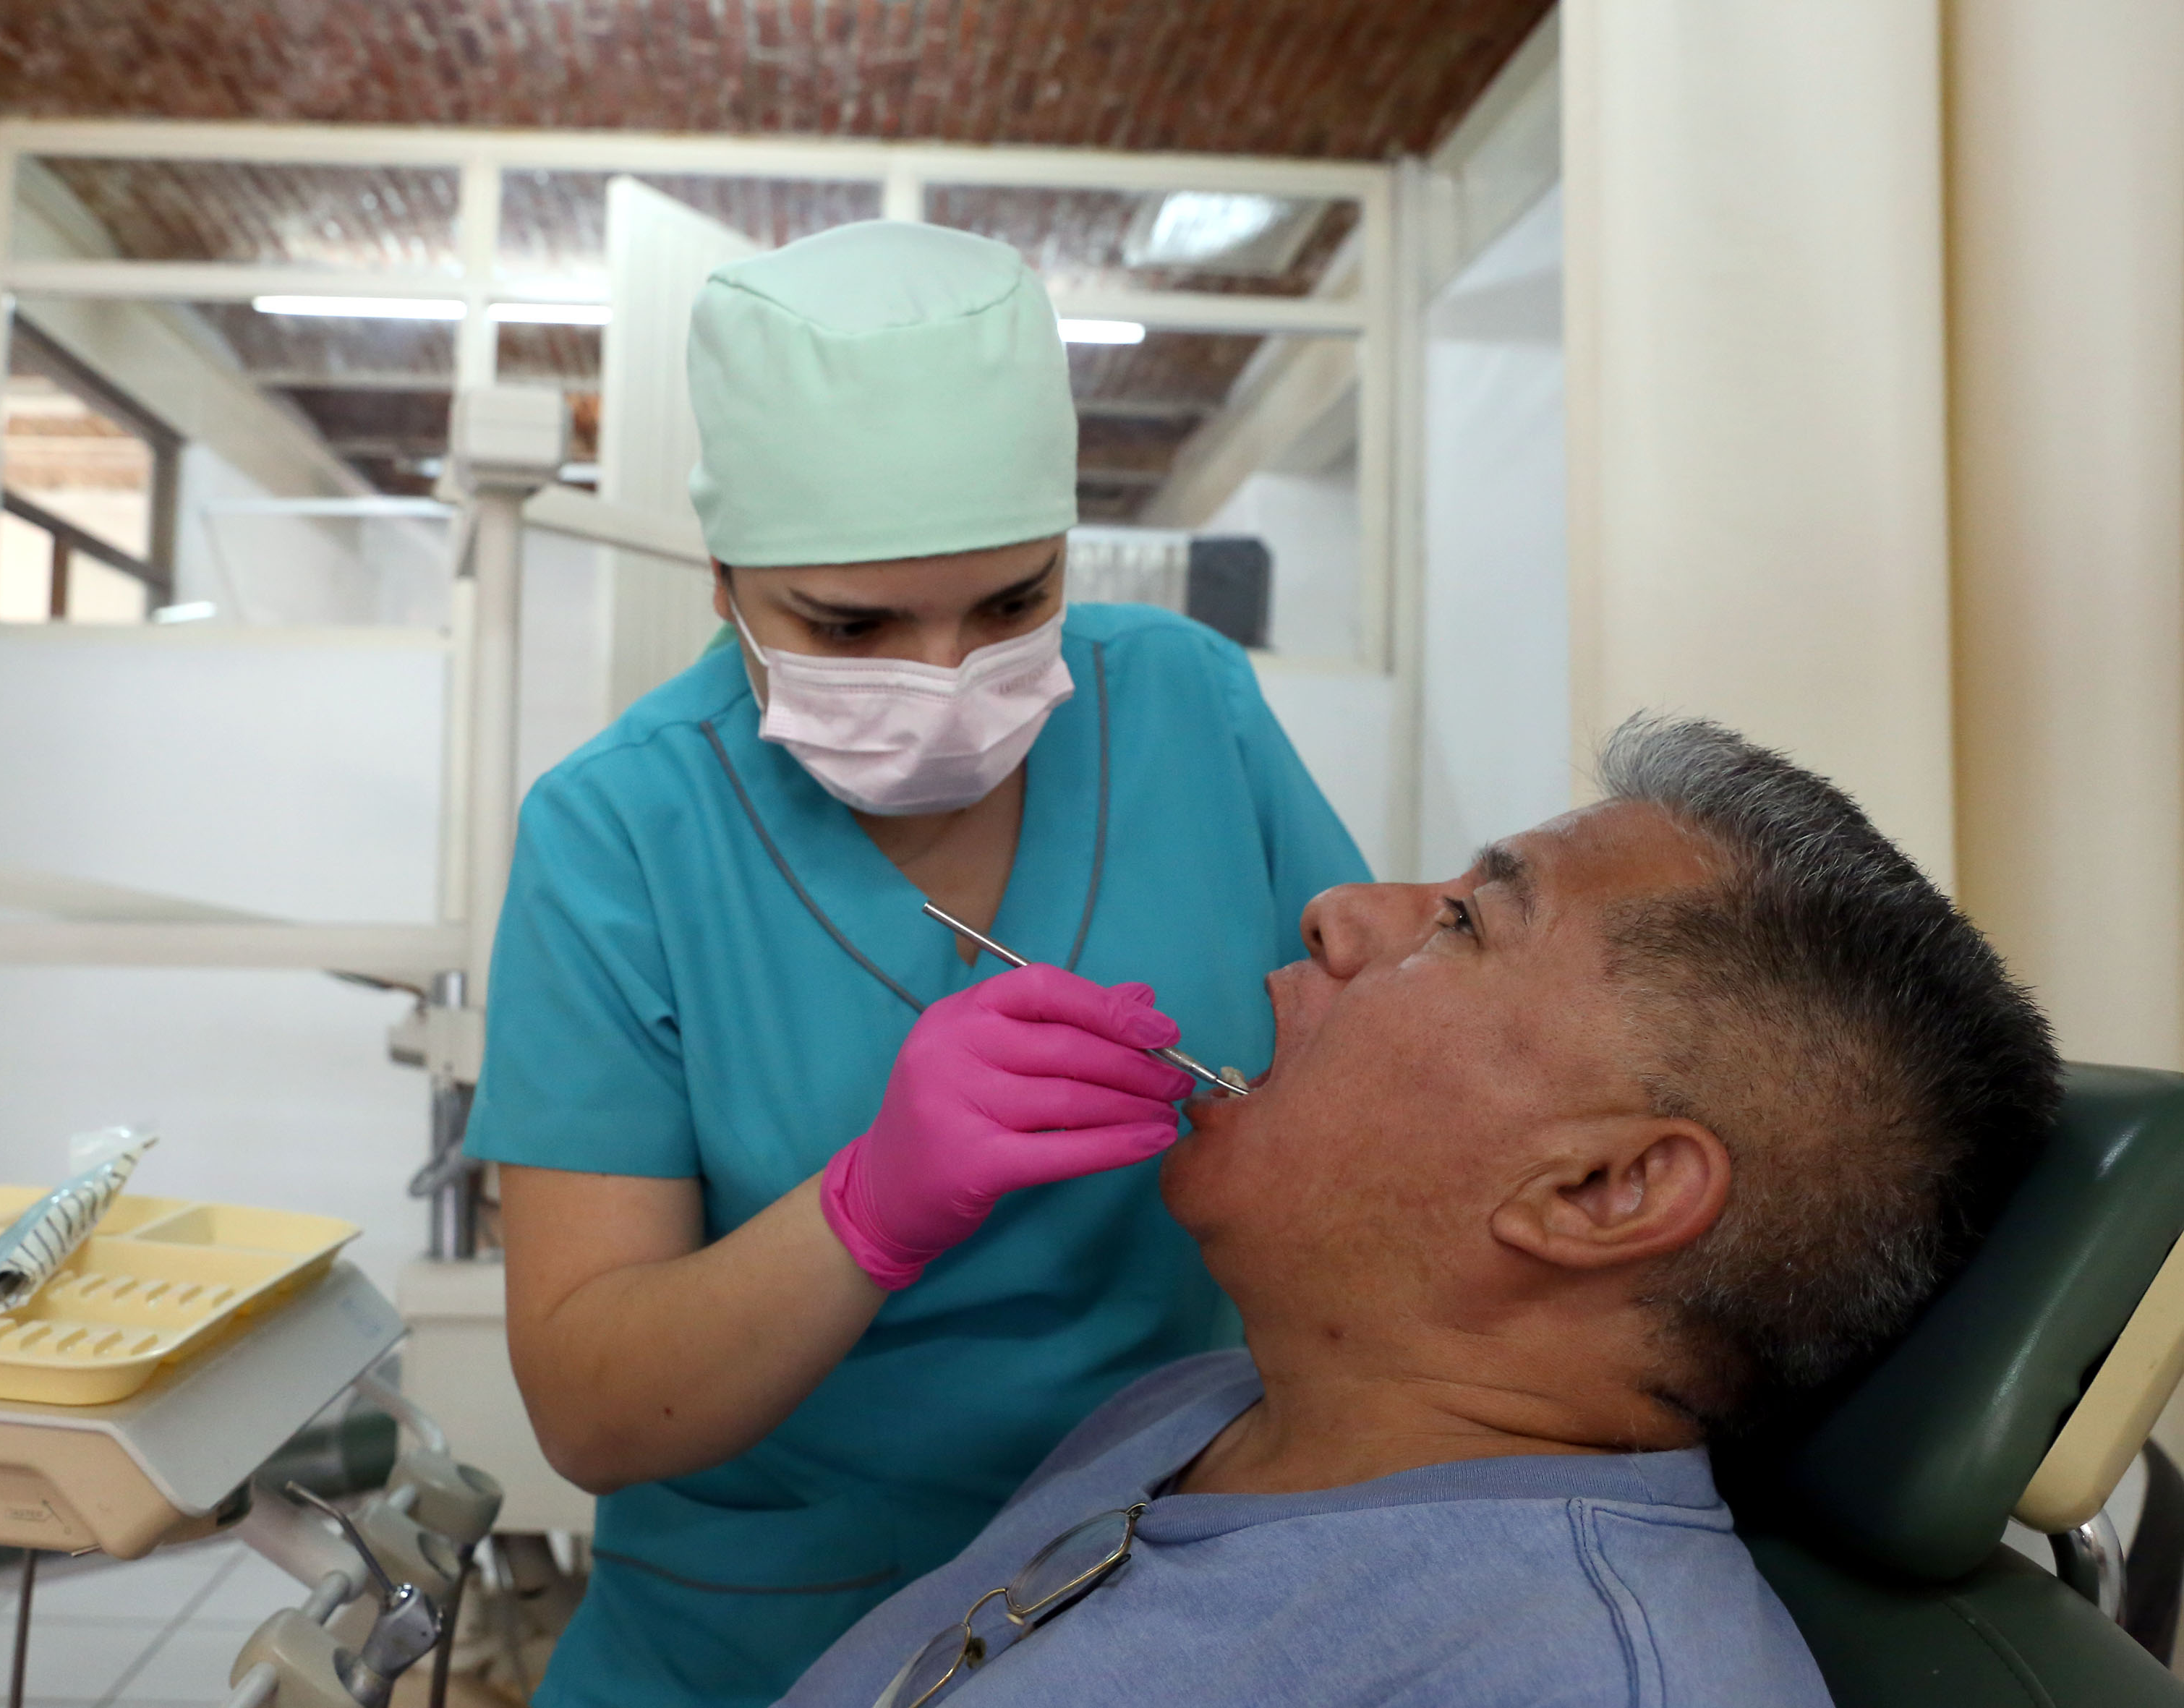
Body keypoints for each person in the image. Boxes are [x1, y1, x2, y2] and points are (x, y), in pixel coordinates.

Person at [464, 218, 1371, 1707]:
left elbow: (1382, 1076)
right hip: (756, 1640)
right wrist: (864, 1209)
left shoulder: (1187, 705)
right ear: (722, 580)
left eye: (1012, 603)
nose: (948, 683)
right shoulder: (617, 830)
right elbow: (590, 1408)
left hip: (1154, 1591)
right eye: (852, 624)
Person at [781, 715, 2060, 1707]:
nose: (1337, 912)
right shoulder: (1198, 1410)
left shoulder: (1576, 1678)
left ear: (1601, 1192)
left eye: (1461, 919)